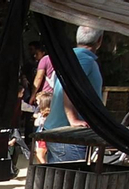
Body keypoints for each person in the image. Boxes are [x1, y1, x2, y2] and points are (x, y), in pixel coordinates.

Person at [42, 26, 104, 164]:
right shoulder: (83, 59)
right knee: (69, 181)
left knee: (59, 180)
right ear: (100, 40)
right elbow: (69, 87)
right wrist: (73, 119)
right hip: (69, 135)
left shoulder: (71, 57)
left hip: (61, 132)